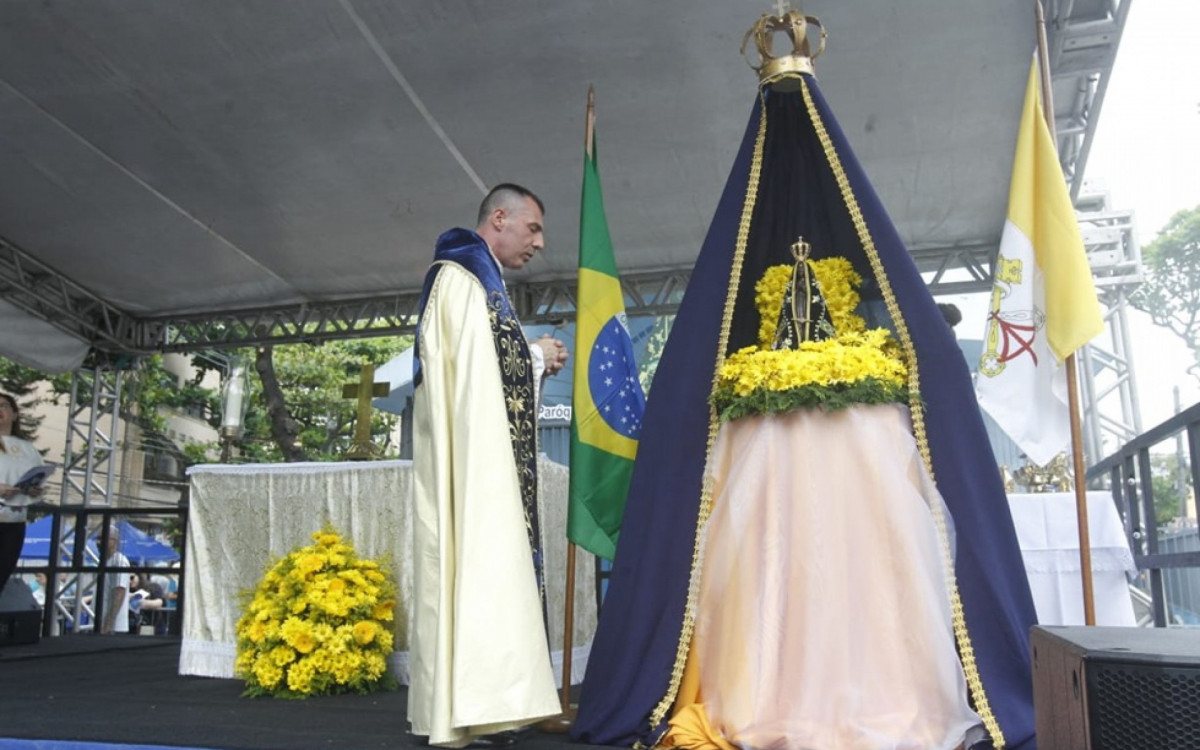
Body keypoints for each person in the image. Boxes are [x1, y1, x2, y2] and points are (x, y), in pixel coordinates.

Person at [408, 183, 568, 748]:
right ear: (499, 218)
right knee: (477, 559)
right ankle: (477, 704)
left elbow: (482, 360)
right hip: (475, 462)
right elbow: (476, 371)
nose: (540, 243)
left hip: (485, 453)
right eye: (533, 229)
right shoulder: (462, 274)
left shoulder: (481, 281)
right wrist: (535, 355)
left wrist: (531, 357)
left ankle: (487, 705)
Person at [0, 393, 46, 598]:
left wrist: (34, 490)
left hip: (14, 521)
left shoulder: (28, 450)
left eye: (3, 406)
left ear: (15, 414)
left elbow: (39, 481)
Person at [100, 525, 131, 634]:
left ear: (113, 541)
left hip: (114, 628)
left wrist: (108, 623)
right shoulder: (106, 561)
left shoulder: (119, 561)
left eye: (102, 538)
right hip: (104, 625)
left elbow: (119, 593)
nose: (99, 542)